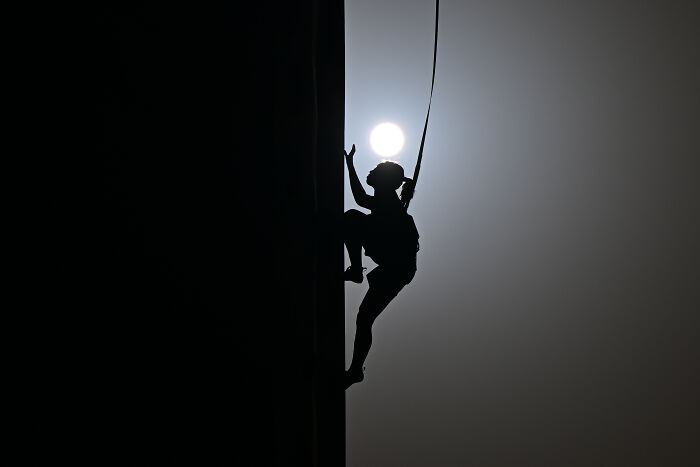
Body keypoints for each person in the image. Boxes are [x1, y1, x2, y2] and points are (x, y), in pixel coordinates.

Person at [343, 144, 419, 389]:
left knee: (365, 318)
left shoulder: (387, 199)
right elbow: (362, 201)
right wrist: (350, 164)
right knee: (364, 318)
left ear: (385, 181)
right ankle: (355, 370)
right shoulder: (386, 199)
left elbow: (359, 199)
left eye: (376, 169)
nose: (372, 171)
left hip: (398, 268)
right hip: (395, 264)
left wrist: (350, 164)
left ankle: (355, 370)